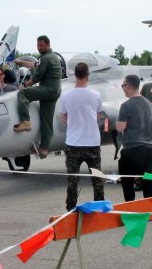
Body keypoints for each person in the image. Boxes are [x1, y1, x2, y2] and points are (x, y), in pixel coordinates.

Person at [60, 62, 104, 211]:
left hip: (73, 143)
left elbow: (64, 118)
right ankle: (99, 205)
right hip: (92, 142)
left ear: (74, 75)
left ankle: (70, 208)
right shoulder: (96, 95)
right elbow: (98, 116)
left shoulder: (66, 96)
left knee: (72, 179)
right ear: (87, 75)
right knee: (97, 177)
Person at [13, 35, 62, 158]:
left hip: (48, 89)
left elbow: (35, 78)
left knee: (22, 94)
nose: (39, 48)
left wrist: (24, 85)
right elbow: (35, 65)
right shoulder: (51, 57)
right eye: (38, 46)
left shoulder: (45, 58)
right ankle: (44, 149)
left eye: (41, 45)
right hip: (55, 91)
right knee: (47, 121)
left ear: (47, 45)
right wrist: (21, 62)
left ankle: (25, 122)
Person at [116, 75, 152, 201]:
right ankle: (149, 209)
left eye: (123, 85)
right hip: (149, 148)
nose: (122, 88)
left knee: (127, 182)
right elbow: (151, 123)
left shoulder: (126, 105)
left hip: (132, 148)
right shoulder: (148, 103)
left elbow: (120, 128)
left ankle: (130, 208)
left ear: (128, 86)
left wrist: (116, 124)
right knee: (147, 181)